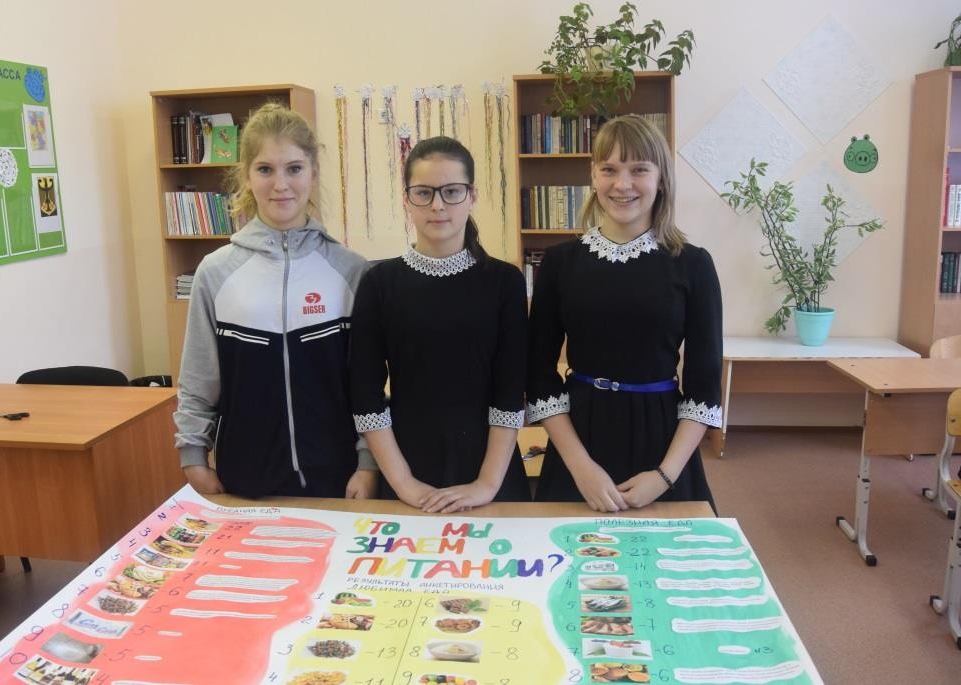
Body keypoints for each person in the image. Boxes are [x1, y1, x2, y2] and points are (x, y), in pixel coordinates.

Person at [174, 102, 377, 499]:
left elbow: (368, 385)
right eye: (265, 169)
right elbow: (199, 378)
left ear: (313, 173)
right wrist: (193, 456)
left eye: (294, 168)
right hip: (244, 478)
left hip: (340, 477)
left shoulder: (350, 269)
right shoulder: (215, 272)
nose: (280, 184)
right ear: (246, 176)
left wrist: (368, 463)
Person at [527, 114, 722, 512]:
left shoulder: (693, 265)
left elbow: (703, 385)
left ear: (661, 178)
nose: (622, 184)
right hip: (579, 436)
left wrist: (664, 476)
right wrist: (580, 467)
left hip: (662, 441)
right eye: (609, 169)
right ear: (593, 176)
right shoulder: (561, 263)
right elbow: (537, 372)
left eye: (639, 170)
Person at [350, 135, 530, 514]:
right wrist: (404, 483)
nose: (437, 205)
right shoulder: (379, 283)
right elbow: (365, 393)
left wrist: (486, 484)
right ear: (406, 199)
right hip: (407, 472)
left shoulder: (504, 282)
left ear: (472, 196)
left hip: (492, 473)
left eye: (451, 192)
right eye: (423, 193)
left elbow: (510, 391)